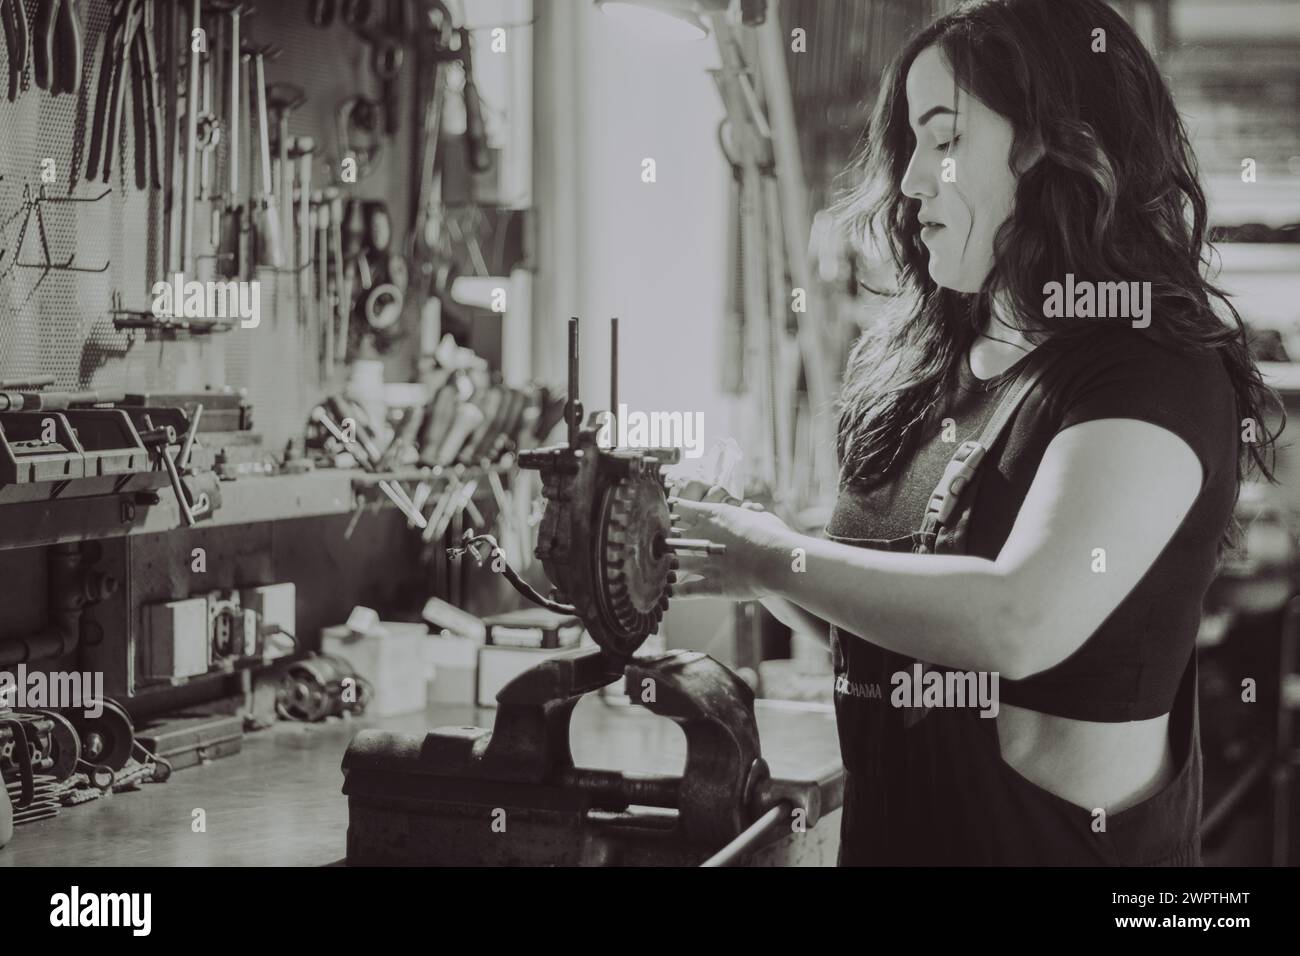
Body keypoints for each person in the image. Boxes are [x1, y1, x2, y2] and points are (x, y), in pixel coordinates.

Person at [670, 0, 1279, 866]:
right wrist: (747, 552)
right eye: (910, 145)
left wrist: (773, 554)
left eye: (943, 137)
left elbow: (1019, 618)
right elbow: (885, 632)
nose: (912, 180)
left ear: (1053, 142)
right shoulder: (922, 366)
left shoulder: (1151, 369)